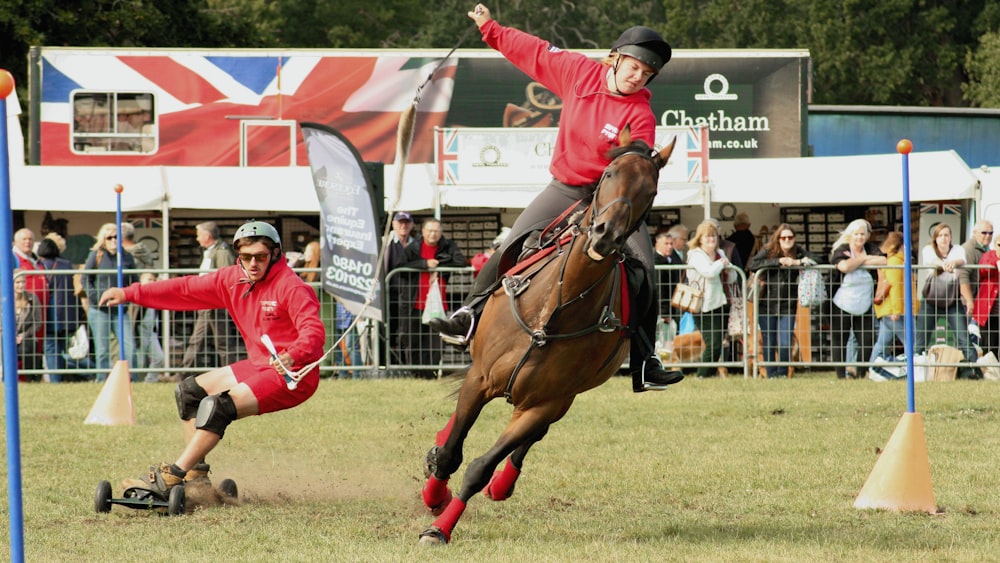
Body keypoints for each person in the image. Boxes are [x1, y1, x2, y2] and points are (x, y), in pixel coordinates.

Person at [430, 4, 682, 392]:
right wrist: (489, 28)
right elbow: (530, 50)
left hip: (610, 202)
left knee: (645, 272)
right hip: (564, 189)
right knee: (511, 244)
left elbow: (637, 163)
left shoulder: (641, 113)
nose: (638, 77)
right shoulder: (579, 73)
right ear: (613, 58)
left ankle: (645, 361)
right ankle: (469, 316)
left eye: (647, 74)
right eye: (633, 67)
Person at [100, 220, 326, 495]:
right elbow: (185, 288)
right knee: (189, 393)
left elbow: (313, 331)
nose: (253, 263)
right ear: (238, 255)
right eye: (246, 257)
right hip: (260, 366)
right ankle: (197, 480)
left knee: (218, 407)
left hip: (293, 375)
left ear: (275, 254)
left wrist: (294, 354)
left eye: (261, 257)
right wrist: (129, 293)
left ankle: (173, 475)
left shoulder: (291, 286)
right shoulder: (232, 279)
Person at [748, 224, 817, 378]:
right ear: (778, 239)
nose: (787, 240)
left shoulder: (798, 251)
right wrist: (779, 261)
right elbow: (753, 264)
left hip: (788, 305)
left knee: (786, 342)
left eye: (790, 237)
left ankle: (783, 373)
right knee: (769, 341)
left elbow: (817, 259)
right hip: (766, 303)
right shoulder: (768, 250)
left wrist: (796, 262)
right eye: (783, 237)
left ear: (794, 238)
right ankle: (771, 374)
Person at [401, 218, 468, 377]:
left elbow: (460, 261)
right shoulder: (413, 248)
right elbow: (400, 266)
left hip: (438, 305)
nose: (433, 234)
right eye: (430, 230)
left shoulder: (448, 245)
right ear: (423, 232)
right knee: (413, 341)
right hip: (414, 304)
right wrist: (424, 264)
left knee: (435, 343)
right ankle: (415, 374)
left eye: (436, 231)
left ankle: (430, 374)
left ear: (441, 232)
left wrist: (440, 268)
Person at [914, 223, 977, 372]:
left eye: (946, 235)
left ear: (950, 237)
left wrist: (952, 263)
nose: (943, 239)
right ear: (935, 238)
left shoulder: (958, 249)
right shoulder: (928, 249)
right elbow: (930, 260)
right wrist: (943, 265)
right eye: (940, 235)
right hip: (930, 300)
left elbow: (962, 260)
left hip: (952, 300)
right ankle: (916, 371)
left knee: (963, 337)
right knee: (921, 338)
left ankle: (974, 370)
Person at [828, 219, 885, 379]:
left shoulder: (871, 248)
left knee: (867, 340)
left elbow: (883, 260)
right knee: (840, 340)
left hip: (864, 304)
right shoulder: (842, 249)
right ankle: (840, 375)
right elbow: (843, 267)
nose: (859, 237)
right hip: (841, 303)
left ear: (867, 236)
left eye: (862, 234)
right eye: (856, 234)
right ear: (850, 235)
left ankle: (860, 373)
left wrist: (856, 261)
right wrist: (864, 260)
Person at [81, 223, 138, 381]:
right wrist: (95, 297)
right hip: (100, 310)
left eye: (117, 237)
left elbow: (135, 279)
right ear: (103, 239)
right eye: (109, 237)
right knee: (102, 349)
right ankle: (102, 380)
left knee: (129, 346)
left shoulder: (127, 256)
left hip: (120, 310)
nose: (114, 240)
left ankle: (129, 379)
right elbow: (86, 278)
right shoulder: (96, 255)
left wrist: (127, 297)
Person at [182, 221, 238, 374]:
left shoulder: (222, 252)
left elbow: (226, 277)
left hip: (215, 303)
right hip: (207, 303)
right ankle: (183, 372)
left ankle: (230, 372)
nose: (197, 239)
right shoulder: (213, 251)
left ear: (207, 236)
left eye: (199, 235)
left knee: (222, 341)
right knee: (197, 340)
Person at [686, 220, 734, 377]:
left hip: (721, 302)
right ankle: (702, 375)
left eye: (713, 236)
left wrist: (728, 266)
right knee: (712, 343)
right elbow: (708, 272)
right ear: (700, 238)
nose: (711, 239)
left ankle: (708, 375)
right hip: (703, 305)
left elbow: (732, 277)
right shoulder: (696, 255)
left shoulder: (720, 253)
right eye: (707, 236)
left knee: (718, 343)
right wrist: (721, 263)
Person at [121, 222, 164, 382]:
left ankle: (147, 381)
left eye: (154, 279)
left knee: (156, 357)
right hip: (138, 328)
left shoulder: (127, 256)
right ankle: (138, 382)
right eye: (149, 279)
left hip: (147, 330)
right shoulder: (144, 253)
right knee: (138, 357)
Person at [36, 238, 83, 383]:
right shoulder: (67, 265)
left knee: (51, 348)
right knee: (62, 348)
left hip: (49, 313)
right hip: (67, 314)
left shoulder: (38, 266)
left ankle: (55, 379)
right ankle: (61, 376)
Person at [869, 232, 914, 372]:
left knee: (882, 342)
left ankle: (872, 367)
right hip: (893, 309)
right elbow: (895, 287)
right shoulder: (895, 262)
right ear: (901, 246)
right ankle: (912, 370)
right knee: (909, 340)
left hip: (887, 309)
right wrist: (896, 310)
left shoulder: (892, 260)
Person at [384, 211, 418, 369]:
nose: (403, 225)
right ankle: (391, 364)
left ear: (411, 225)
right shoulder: (385, 243)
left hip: (411, 296)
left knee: (409, 331)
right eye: (400, 222)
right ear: (393, 224)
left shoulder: (416, 243)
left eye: (406, 222)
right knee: (390, 330)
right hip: (389, 296)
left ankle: (408, 365)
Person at [973, 235, 1000, 358]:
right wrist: (996, 262)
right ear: (995, 245)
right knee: (989, 347)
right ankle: (989, 373)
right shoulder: (989, 256)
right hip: (989, 312)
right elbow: (983, 268)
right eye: (999, 245)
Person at [14, 270, 44, 381]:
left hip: (26, 337)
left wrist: (23, 336)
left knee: (27, 347)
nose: (21, 285)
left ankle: (31, 379)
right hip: (5, 336)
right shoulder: (4, 299)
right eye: (17, 282)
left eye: (23, 282)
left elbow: (38, 322)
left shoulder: (32, 299)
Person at [654, 229, 683, 322]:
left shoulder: (670, 260)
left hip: (671, 308)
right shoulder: (656, 262)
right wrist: (664, 313)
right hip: (661, 311)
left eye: (671, 244)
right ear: (657, 244)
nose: (670, 247)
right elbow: (660, 290)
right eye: (666, 244)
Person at [962, 220, 993, 288]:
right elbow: (963, 277)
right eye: (984, 233)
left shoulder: (987, 249)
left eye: (991, 233)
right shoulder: (968, 249)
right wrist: (969, 299)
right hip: (972, 296)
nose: (988, 236)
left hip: (983, 296)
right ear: (975, 233)